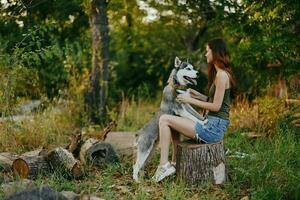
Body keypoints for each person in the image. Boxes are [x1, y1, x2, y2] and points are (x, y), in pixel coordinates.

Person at [153, 38, 236, 183]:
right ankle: (171, 163)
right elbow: (216, 102)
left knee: (164, 119)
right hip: (213, 124)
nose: (205, 54)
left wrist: (189, 100)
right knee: (171, 119)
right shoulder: (220, 74)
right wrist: (196, 94)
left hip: (212, 129)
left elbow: (216, 107)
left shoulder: (222, 76)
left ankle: (164, 165)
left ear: (215, 52)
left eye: (207, 51)